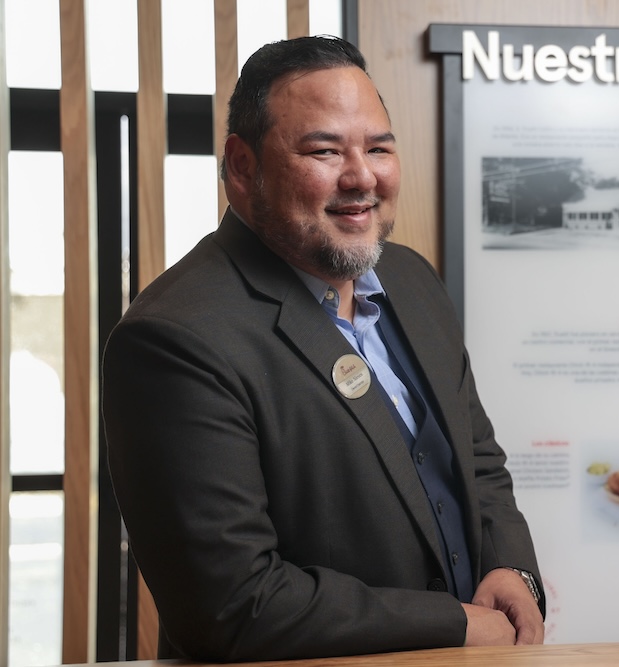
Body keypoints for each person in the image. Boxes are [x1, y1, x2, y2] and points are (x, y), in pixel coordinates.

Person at [102, 36, 544, 661]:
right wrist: (456, 622)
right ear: (242, 165)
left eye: (379, 148)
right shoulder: (176, 339)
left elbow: (477, 463)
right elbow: (234, 604)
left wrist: (511, 572)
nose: (361, 175)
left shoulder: (413, 281)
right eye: (325, 150)